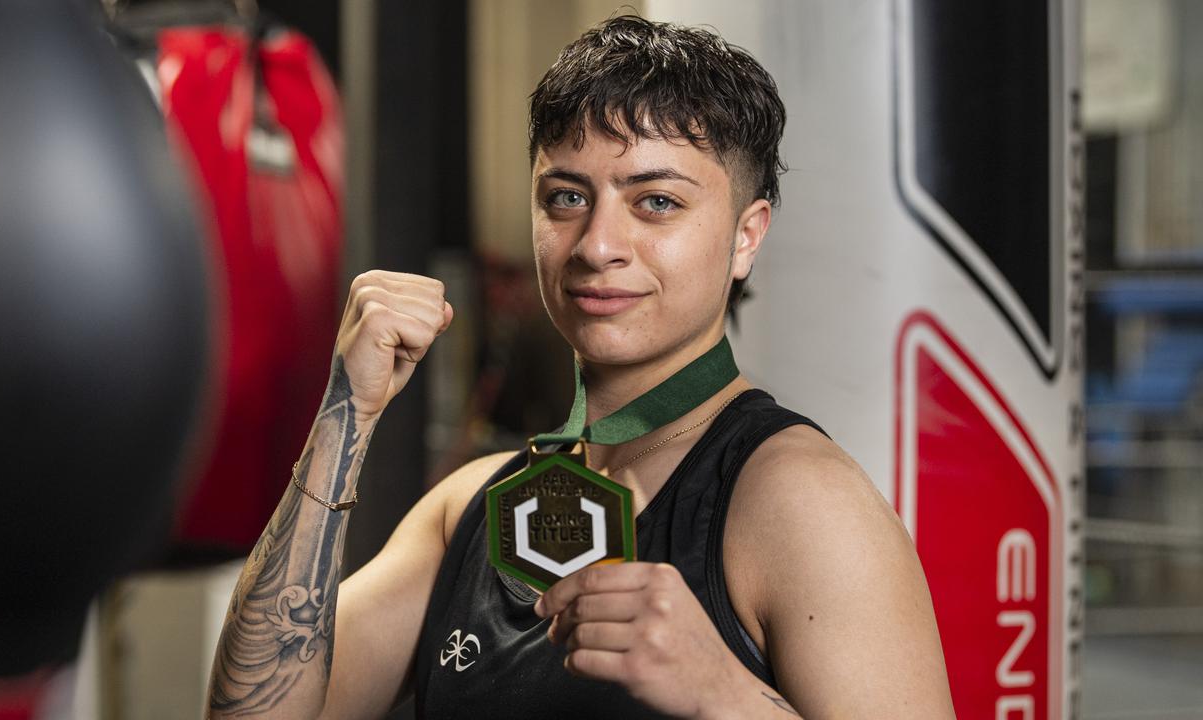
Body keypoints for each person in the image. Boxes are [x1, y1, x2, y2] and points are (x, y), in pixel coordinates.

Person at [207, 15, 954, 719]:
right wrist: (347, 414)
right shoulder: (466, 509)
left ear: (746, 236)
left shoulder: (797, 499)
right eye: (567, 197)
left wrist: (724, 694)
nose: (598, 244)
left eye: (656, 202)